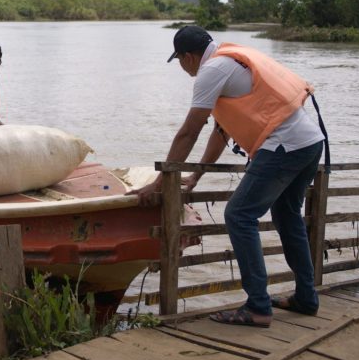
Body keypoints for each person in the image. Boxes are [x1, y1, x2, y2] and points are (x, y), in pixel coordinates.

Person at [133, 25, 327, 328]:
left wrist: (159, 182)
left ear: (188, 57)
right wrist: (196, 176)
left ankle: (258, 307)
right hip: (309, 143)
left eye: (180, 61)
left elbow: (189, 131)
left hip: (284, 146)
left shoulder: (212, 70)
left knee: (239, 215)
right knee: (287, 215)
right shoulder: (230, 60)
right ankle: (306, 297)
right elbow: (221, 130)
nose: (183, 68)